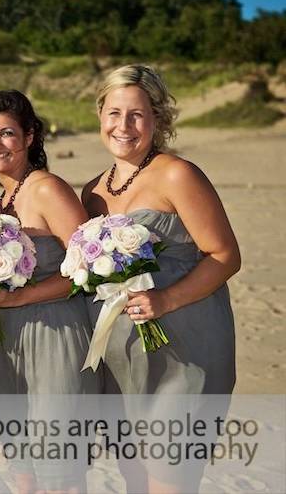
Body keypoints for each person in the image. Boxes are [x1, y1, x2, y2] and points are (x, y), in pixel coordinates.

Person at [81, 64, 239, 493]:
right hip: (123, 361)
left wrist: (166, 300)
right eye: (114, 113)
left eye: (137, 114)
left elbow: (225, 256)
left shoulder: (177, 174)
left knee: (171, 480)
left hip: (186, 351)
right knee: (135, 480)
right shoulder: (93, 191)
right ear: (100, 115)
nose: (124, 126)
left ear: (157, 119)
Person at [0, 90, 101, 494]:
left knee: (59, 476)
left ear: (29, 137)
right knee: (23, 470)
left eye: (7, 133)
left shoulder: (47, 189)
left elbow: (88, 271)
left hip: (56, 335)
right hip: (6, 342)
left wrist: (20, 298)